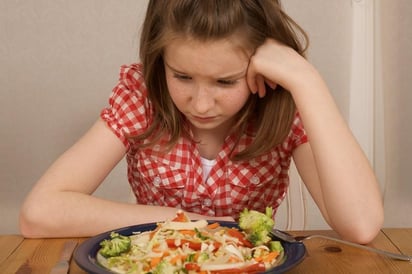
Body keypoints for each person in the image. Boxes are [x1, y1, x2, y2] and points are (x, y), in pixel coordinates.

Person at [19, 0, 383, 243]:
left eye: (225, 82)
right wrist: (188, 220)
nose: (201, 104)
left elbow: (362, 225)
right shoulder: (142, 97)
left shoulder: (284, 104)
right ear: (159, 58)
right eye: (182, 77)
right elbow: (39, 213)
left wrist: (307, 80)